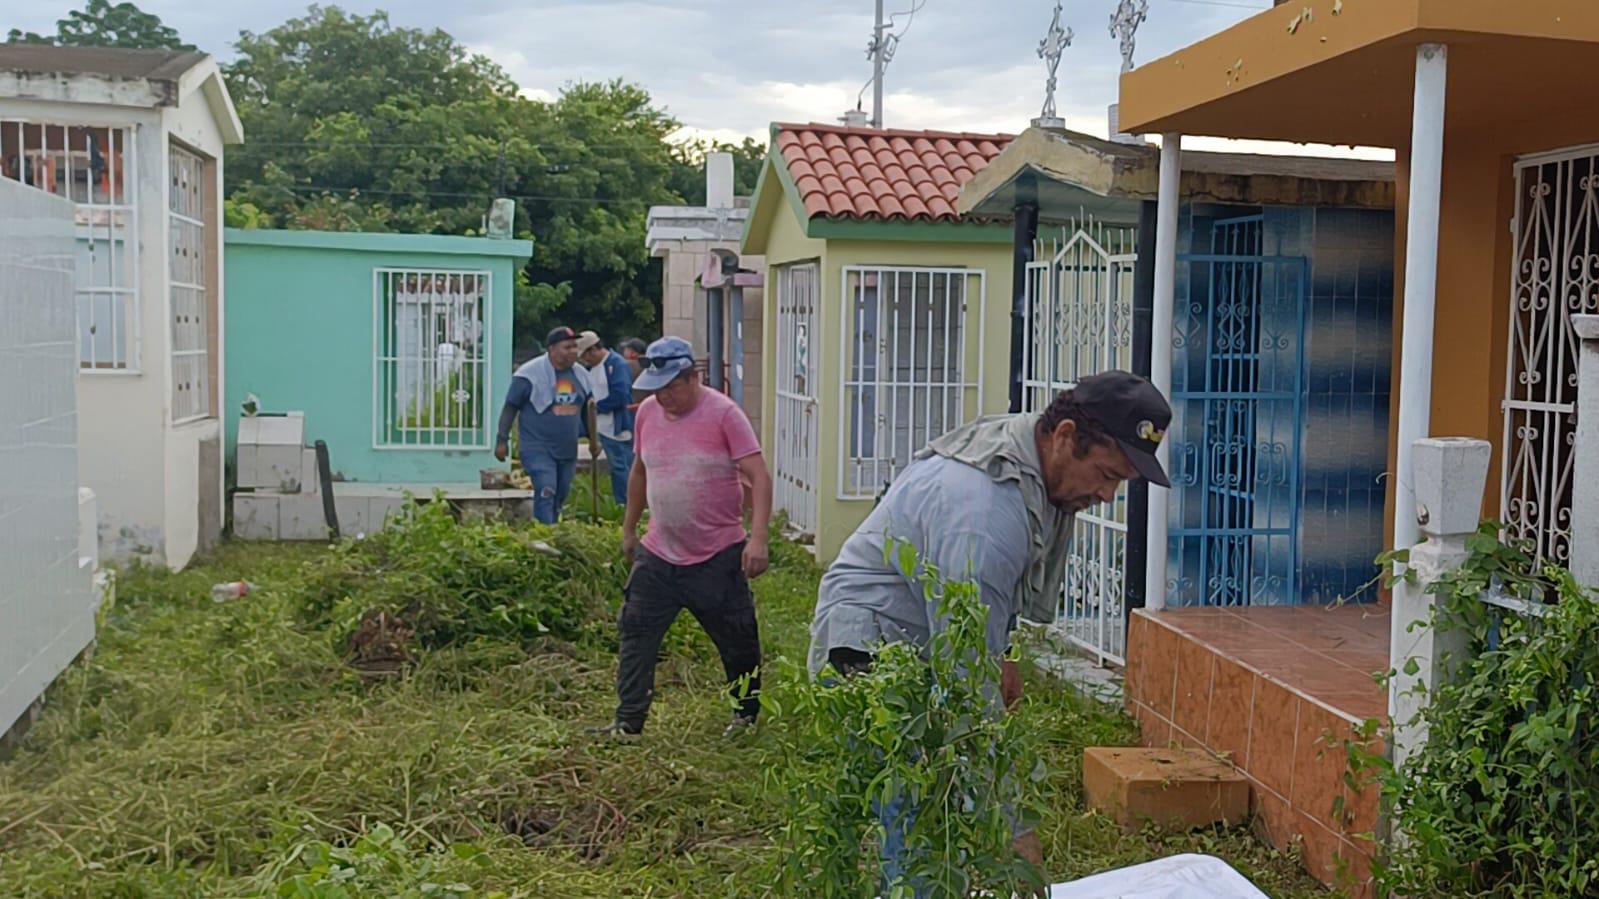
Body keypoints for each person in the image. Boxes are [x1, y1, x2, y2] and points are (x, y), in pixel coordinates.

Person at [807, 370, 1173, 893]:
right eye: (1107, 474)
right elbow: (968, 703)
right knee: (917, 818)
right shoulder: (984, 516)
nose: (1109, 495)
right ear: (1066, 436)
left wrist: (1000, 650)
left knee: (940, 804)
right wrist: (1019, 842)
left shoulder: (1028, 452)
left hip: (921, 630)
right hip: (868, 645)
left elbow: (973, 625)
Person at [596, 336, 774, 741]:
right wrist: (629, 527)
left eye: (671, 387)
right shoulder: (647, 415)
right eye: (656, 388)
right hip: (659, 553)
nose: (663, 397)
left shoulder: (725, 415)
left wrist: (758, 539)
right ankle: (628, 723)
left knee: (738, 641)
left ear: (693, 377)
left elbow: (759, 476)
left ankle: (744, 719)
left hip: (717, 555)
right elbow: (640, 472)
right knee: (636, 632)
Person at [495, 326, 592, 524]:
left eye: (575, 346)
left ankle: (553, 533)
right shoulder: (529, 375)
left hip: (567, 449)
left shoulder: (581, 375)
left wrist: (594, 439)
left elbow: (588, 410)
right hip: (538, 447)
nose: (573, 351)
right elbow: (510, 407)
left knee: (560, 495)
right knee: (547, 489)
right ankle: (546, 534)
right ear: (552, 349)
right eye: (567, 347)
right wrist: (501, 440)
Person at [576, 331, 635, 507]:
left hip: (615, 425)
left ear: (593, 350)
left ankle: (625, 503)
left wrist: (595, 409)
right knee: (615, 467)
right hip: (600, 426)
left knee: (621, 466)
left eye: (586, 355)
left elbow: (621, 395)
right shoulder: (592, 369)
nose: (586, 360)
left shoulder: (616, 364)